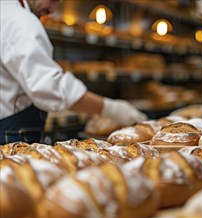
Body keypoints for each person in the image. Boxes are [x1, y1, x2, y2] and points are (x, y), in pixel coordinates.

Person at [0, 0, 147, 144]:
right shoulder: (20, 21)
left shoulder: (5, 12)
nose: (52, 10)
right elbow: (50, 86)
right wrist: (110, 108)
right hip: (10, 134)